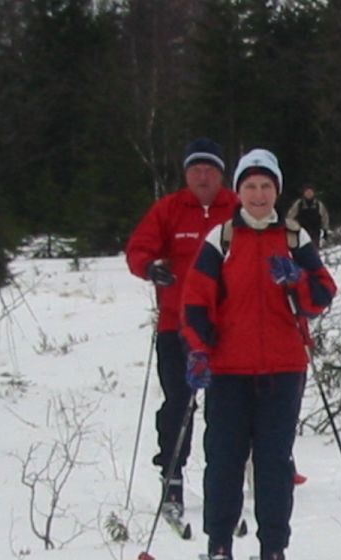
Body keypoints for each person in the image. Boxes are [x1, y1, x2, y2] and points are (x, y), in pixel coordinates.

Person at [180, 149, 337, 560]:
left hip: (283, 368)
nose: (258, 194)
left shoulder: (293, 238)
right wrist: (197, 349)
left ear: (277, 190)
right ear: (239, 191)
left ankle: (274, 549)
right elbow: (195, 301)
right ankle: (219, 542)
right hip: (228, 370)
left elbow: (323, 294)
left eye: (266, 186)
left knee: (274, 460)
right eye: (250, 186)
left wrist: (298, 280)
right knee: (225, 457)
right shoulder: (221, 239)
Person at [125, 138, 239, 517]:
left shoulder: (236, 207)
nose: (202, 176)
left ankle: (223, 480)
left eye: (209, 169)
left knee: (224, 407)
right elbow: (138, 248)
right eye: (195, 169)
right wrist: (149, 267)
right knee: (179, 402)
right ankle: (172, 477)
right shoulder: (169, 209)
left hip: (226, 328)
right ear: (186, 174)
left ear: (221, 175)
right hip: (176, 326)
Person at [287, 184, 330, 248]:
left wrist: (325, 230)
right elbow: (290, 217)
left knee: (314, 251)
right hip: (302, 233)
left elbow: (325, 218)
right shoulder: (299, 204)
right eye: (307, 192)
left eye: (310, 192)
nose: (309, 194)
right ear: (304, 193)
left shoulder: (318, 205)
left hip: (315, 232)